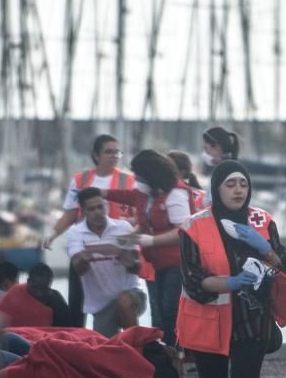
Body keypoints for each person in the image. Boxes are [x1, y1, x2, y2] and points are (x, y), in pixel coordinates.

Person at [178, 160, 286, 378]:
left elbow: (284, 267)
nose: (238, 190)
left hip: (251, 315)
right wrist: (230, 283)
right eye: (230, 184)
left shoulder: (262, 220)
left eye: (242, 183)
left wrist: (265, 249)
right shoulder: (194, 226)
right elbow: (192, 280)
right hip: (210, 316)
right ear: (216, 188)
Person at [102, 150, 192, 353]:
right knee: (160, 309)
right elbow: (143, 217)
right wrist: (130, 238)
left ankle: (176, 352)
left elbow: (184, 230)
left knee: (170, 309)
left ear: (150, 174)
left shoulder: (175, 193)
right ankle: (168, 352)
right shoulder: (151, 194)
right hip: (159, 262)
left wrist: (151, 240)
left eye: (139, 174)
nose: (136, 179)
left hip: (178, 262)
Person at [43, 134, 136, 327]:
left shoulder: (128, 180)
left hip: (114, 248)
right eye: (108, 151)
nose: (114, 156)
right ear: (96, 155)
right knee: (77, 299)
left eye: (117, 152)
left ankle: (124, 338)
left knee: (119, 298)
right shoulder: (80, 179)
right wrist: (53, 234)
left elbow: (138, 214)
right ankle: (77, 341)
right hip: (85, 244)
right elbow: (70, 213)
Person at [65, 188, 146, 338]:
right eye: (92, 209)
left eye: (100, 207)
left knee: (124, 301)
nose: (98, 212)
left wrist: (124, 257)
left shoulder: (123, 227)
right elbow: (79, 269)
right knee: (105, 349)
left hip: (132, 294)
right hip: (101, 305)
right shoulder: (75, 233)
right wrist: (85, 256)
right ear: (83, 211)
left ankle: (137, 346)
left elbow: (137, 268)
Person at [0, 263, 77, 328]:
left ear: (50, 285)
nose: (39, 293)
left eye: (44, 289)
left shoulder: (57, 302)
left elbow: (66, 331)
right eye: (35, 288)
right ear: (28, 281)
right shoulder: (15, 293)